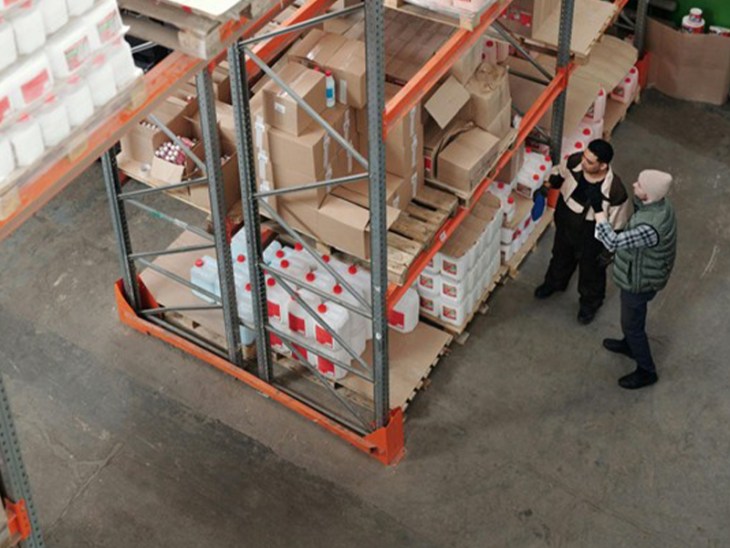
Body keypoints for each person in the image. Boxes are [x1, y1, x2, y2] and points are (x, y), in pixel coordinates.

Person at [591, 169, 677, 389]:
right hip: (641, 272)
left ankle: (646, 371)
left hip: (640, 282)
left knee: (632, 325)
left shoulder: (649, 227)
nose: (634, 185)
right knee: (632, 320)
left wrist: (598, 210)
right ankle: (629, 345)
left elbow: (612, 242)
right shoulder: (660, 205)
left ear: (648, 195)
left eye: (639, 185)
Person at [535, 139, 632, 324]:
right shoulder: (574, 162)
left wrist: (608, 252)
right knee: (560, 257)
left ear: (603, 165)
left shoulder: (615, 191)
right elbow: (559, 172)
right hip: (566, 224)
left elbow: (618, 224)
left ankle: (590, 304)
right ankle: (554, 283)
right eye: (584, 156)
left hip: (591, 234)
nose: (583, 162)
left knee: (591, 272)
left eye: (589, 161)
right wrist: (547, 186)